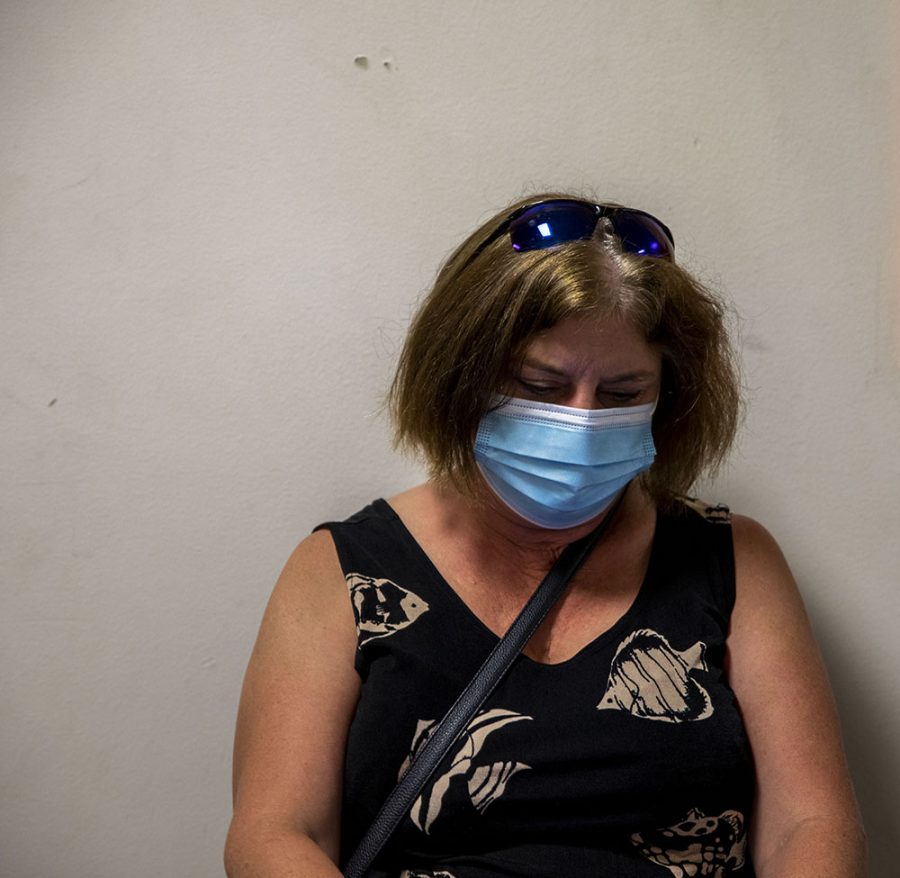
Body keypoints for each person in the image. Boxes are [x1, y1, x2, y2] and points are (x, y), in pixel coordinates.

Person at [224, 195, 866, 877]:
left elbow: (811, 826)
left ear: (667, 402)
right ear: (462, 378)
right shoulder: (341, 571)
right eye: (540, 383)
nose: (581, 420)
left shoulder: (732, 563)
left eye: (622, 394)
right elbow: (273, 835)